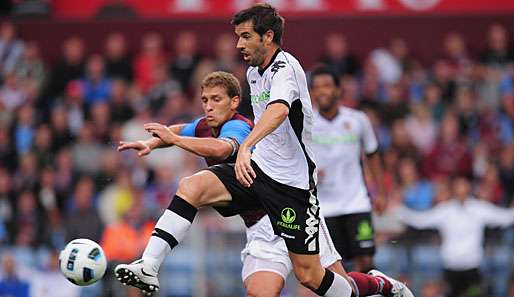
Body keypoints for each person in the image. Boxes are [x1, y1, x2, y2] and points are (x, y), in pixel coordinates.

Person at [115, 5, 412, 297]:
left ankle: (379, 285)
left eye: (245, 36)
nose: (238, 44)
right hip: (259, 174)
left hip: (292, 188)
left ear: (267, 36)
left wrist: (244, 147)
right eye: (238, 36)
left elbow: (279, 110)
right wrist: (156, 141)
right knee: (192, 185)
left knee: (312, 278)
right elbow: (194, 127)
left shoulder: (286, 68)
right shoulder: (254, 72)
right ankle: (149, 265)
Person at [310, 66, 386, 273]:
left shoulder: (358, 120)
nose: (322, 91)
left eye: (326, 86)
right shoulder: (306, 124)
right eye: (317, 88)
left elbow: (372, 154)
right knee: (335, 268)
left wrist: (381, 193)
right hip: (324, 208)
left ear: (337, 90)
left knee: (366, 261)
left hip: (356, 202)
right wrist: (311, 172)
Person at [397, 176, 514, 297]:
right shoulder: (446, 210)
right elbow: (421, 220)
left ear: (469, 188)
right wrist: (399, 210)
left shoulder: (479, 208)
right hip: (451, 266)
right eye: (458, 187)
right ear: (453, 189)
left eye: (463, 187)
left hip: (472, 266)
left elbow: (504, 218)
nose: (461, 190)